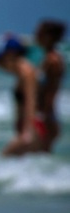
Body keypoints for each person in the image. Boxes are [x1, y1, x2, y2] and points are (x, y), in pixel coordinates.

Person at [0, 33, 42, 157]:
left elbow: (31, 101)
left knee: (4, 157)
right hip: (28, 126)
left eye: (3, 53)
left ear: (11, 53)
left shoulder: (27, 72)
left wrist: (28, 131)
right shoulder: (21, 70)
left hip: (32, 127)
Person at [35, 19, 64, 154]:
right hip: (45, 115)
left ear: (49, 37)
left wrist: (43, 117)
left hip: (46, 116)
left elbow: (51, 91)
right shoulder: (48, 59)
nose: (36, 35)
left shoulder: (53, 61)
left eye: (39, 32)